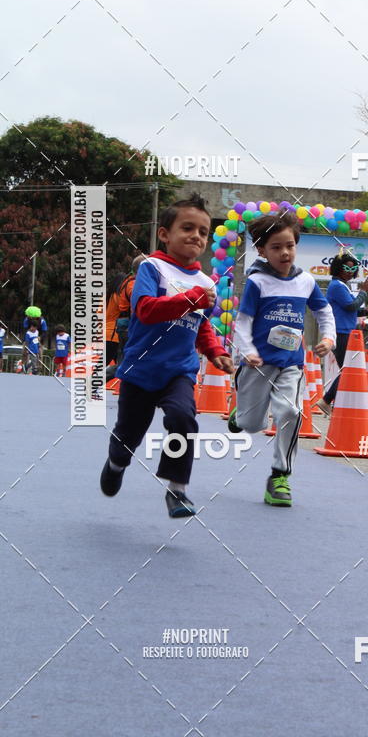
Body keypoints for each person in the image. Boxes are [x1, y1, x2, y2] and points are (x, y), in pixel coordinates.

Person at [100, 192, 234, 518]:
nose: (196, 236)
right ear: (165, 234)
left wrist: (215, 351)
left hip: (180, 370)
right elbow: (144, 310)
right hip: (142, 369)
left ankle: (177, 490)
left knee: (184, 418)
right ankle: (117, 462)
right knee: (130, 432)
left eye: (203, 232)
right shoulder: (152, 268)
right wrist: (191, 299)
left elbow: (198, 325)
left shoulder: (205, 282)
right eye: (187, 228)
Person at [229, 209, 335, 507]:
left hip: (292, 363)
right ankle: (242, 412)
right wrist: (247, 351)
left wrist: (328, 338)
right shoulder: (258, 282)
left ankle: (279, 477)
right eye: (276, 247)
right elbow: (244, 321)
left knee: (291, 412)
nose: (284, 253)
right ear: (262, 250)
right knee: (252, 425)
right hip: (258, 363)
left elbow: (324, 312)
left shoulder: (306, 282)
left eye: (289, 246)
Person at [316, 251, 368, 415]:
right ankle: (326, 400)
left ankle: (333, 402)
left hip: (345, 331)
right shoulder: (337, 286)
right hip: (341, 333)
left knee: (347, 369)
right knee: (348, 369)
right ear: (338, 267)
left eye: (352, 268)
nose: (349, 270)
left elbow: (352, 310)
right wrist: (364, 291)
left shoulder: (341, 286)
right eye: (346, 267)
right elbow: (351, 306)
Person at [105, 272, 127, 367]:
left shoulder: (107, 297)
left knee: (119, 364)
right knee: (120, 364)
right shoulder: (118, 296)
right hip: (115, 333)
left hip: (106, 332)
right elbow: (124, 308)